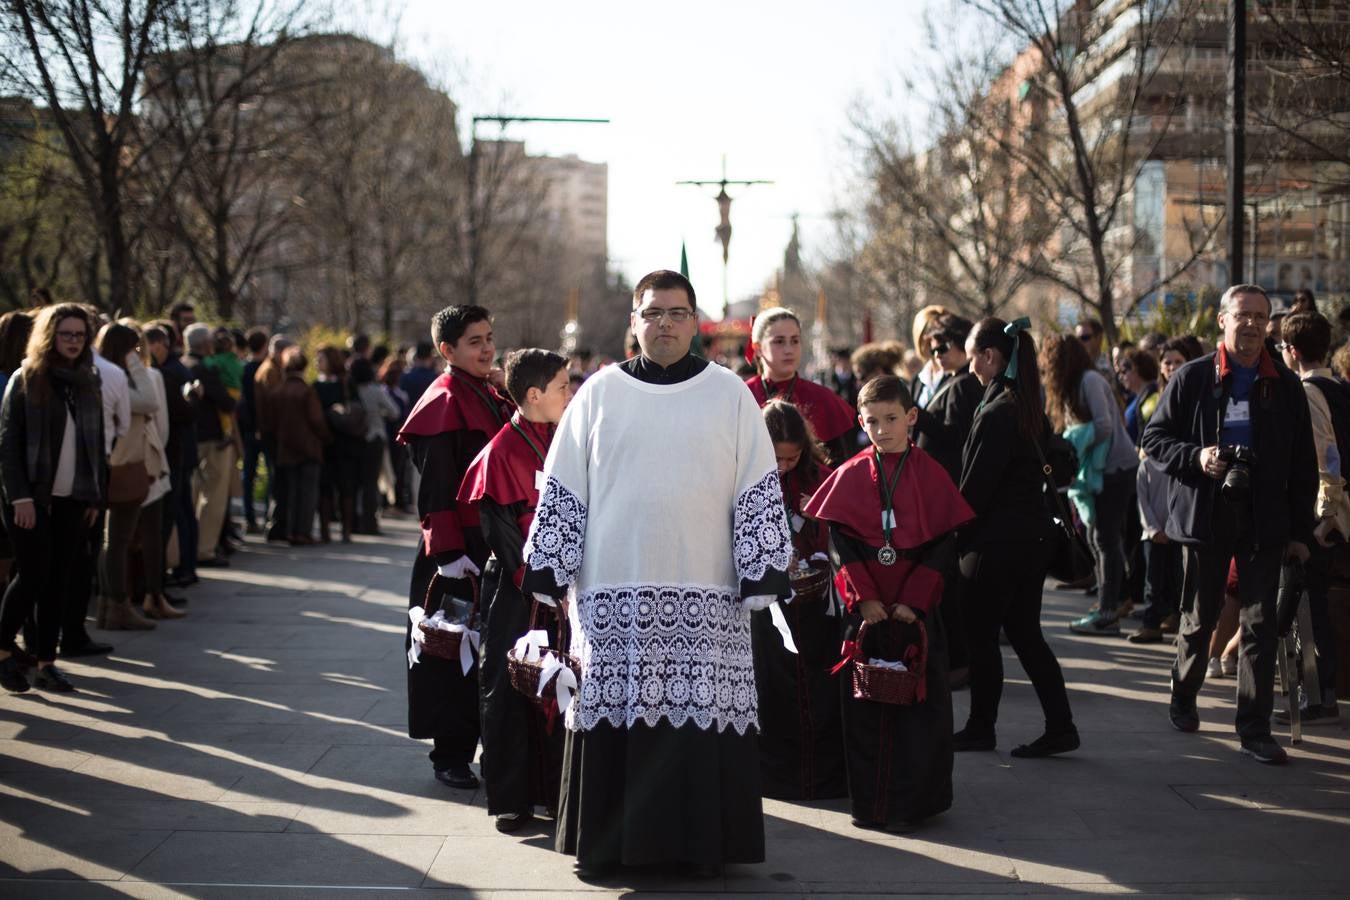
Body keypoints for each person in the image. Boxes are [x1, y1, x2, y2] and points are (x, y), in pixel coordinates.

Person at [521, 270, 791, 876]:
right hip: (613, 585)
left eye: (675, 313)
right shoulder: (598, 394)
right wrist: (549, 566)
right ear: (633, 322)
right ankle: (613, 845)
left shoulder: (729, 395)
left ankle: (700, 850)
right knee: (617, 718)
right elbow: (565, 483)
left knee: (697, 718)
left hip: (708, 588)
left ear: (695, 322)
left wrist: (762, 566)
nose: (663, 324)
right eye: (652, 313)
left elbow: (756, 484)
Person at [1141, 284, 1317, 764]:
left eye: (1262, 317)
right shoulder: (1193, 378)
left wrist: (1301, 533)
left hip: (1265, 519)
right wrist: (1198, 457)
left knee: (1260, 624)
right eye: (1244, 316)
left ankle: (1254, 727)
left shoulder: (1285, 385)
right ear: (1223, 320)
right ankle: (1183, 692)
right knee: (1200, 617)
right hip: (1206, 513)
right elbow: (1154, 439)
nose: (1254, 325)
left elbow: (1303, 464)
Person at [804, 375, 972, 829]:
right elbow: (840, 543)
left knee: (920, 712)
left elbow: (942, 545)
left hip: (913, 612)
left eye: (892, 419)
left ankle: (919, 801)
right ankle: (872, 803)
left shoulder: (931, 473)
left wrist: (913, 603)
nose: (882, 430)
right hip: (870, 616)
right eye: (872, 421)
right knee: (865, 712)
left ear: (911, 418)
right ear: (861, 422)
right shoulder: (852, 473)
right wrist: (865, 601)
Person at [397, 305, 514, 790]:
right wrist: (447, 555)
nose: (487, 348)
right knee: (450, 651)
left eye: (489, 337)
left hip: (488, 543)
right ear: (447, 350)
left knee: (488, 652)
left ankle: (489, 744)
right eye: (474, 342)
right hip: (455, 551)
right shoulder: (443, 400)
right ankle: (450, 753)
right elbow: (436, 491)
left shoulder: (487, 390)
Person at [456, 348, 571, 833]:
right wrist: (538, 582)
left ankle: (556, 791)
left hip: (562, 586)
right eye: (564, 386)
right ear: (534, 395)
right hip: (518, 589)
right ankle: (513, 798)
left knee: (558, 688)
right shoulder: (502, 450)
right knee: (510, 688)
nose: (572, 393)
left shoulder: (566, 438)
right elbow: (500, 533)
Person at [955, 317, 1079, 758]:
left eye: (972, 356)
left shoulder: (998, 412)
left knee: (981, 635)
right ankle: (1061, 725)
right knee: (1026, 635)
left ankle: (980, 727)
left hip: (996, 545)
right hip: (1031, 541)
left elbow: (975, 489)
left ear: (991, 356)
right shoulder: (1026, 406)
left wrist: (952, 537)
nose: (969, 366)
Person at [0, 304, 105, 693]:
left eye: (80, 334)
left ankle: (47, 662)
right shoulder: (26, 378)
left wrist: (95, 496)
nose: (74, 341)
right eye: (66, 334)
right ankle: (3, 646)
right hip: (30, 498)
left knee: (59, 579)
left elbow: (96, 445)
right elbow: (8, 445)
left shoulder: (87, 379)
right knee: (32, 574)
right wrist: (20, 498)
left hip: (73, 498)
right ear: (49, 335)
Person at [751, 399, 845, 802]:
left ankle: (822, 778)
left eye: (792, 458)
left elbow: (841, 528)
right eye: (777, 458)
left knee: (820, 688)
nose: (785, 466)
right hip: (771, 608)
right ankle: (779, 778)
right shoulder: (747, 478)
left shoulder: (819, 477)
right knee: (776, 690)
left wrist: (819, 521)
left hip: (815, 604)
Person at [1040, 332, 1139, 636]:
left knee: (1105, 539)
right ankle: (1110, 602)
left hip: (1114, 468)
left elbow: (1105, 425)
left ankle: (1108, 611)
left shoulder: (1089, 381)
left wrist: (1074, 442)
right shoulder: (1077, 385)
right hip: (1101, 470)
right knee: (1099, 537)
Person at [1277, 311, 1345, 722]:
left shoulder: (1308, 391)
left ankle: (1319, 697)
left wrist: (1325, 517)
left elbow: (1327, 456)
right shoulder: (1337, 386)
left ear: (1293, 351)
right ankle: (1320, 694)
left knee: (1307, 607)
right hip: (1332, 514)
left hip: (1323, 518)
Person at [95, 323, 166, 630]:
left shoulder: (102, 377)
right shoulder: (118, 382)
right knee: (118, 540)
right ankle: (117, 604)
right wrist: (136, 358)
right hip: (123, 468)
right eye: (134, 347)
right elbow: (151, 400)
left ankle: (108, 605)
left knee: (111, 541)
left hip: (114, 466)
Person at [1129, 338, 1197, 644]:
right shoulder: (1157, 396)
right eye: (1166, 361)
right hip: (1152, 479)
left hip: (1181, 483)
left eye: (1177, 361)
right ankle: (1152, 619)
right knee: (1153, 568)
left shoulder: (1194, 396)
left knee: (1178, 570)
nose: (1170, 367)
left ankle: (1177, 618)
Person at [744, 308, 856, 463]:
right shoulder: (742, 395)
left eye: (795, 341)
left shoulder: (823, 398)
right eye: (779, 341)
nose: (789, 350)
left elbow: (844, 466)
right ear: (757, 348)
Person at [182, 323, 237, 568]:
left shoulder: (182, 364)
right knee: (212, 496)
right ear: (206, 344)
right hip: (212, 440)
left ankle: (188, 547)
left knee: (193, 495)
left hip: (191, 440)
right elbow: (227, 402)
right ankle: (204, 549)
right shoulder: (206, 369)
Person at [273, 348, 330, 544]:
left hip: (285, 447)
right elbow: (317, 420)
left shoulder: (278, 390)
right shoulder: (306, 391)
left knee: (289, 492)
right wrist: (325, 437)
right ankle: (303, 532)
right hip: (308, 447)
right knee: (307, 493)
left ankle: (288, 530)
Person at [313, 346, 359, 543]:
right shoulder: (314, 385)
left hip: (345, 441)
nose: (317, 362)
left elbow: (357, 408)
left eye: (321, 358)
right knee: (325, 487)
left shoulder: (346, 383)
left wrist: (343, 411)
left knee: (345, 486)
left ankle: (346, 530)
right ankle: (324, 530)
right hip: (323, 441)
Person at [350, 357, 400, 535]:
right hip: (375, 437)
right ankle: (369, 523)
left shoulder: (349, 391)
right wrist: (380, 413)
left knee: (354, 483)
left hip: (353, 439)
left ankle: (352, 522)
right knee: (370, 483)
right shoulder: (376, 391)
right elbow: (395, 411)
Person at [239, 328, 269, 535]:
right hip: (262, 429)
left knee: (248, 475)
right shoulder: (265, 370)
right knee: (269, 473)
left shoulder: (243, 368)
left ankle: (249, 517)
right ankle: (266, 516)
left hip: (247, 429)